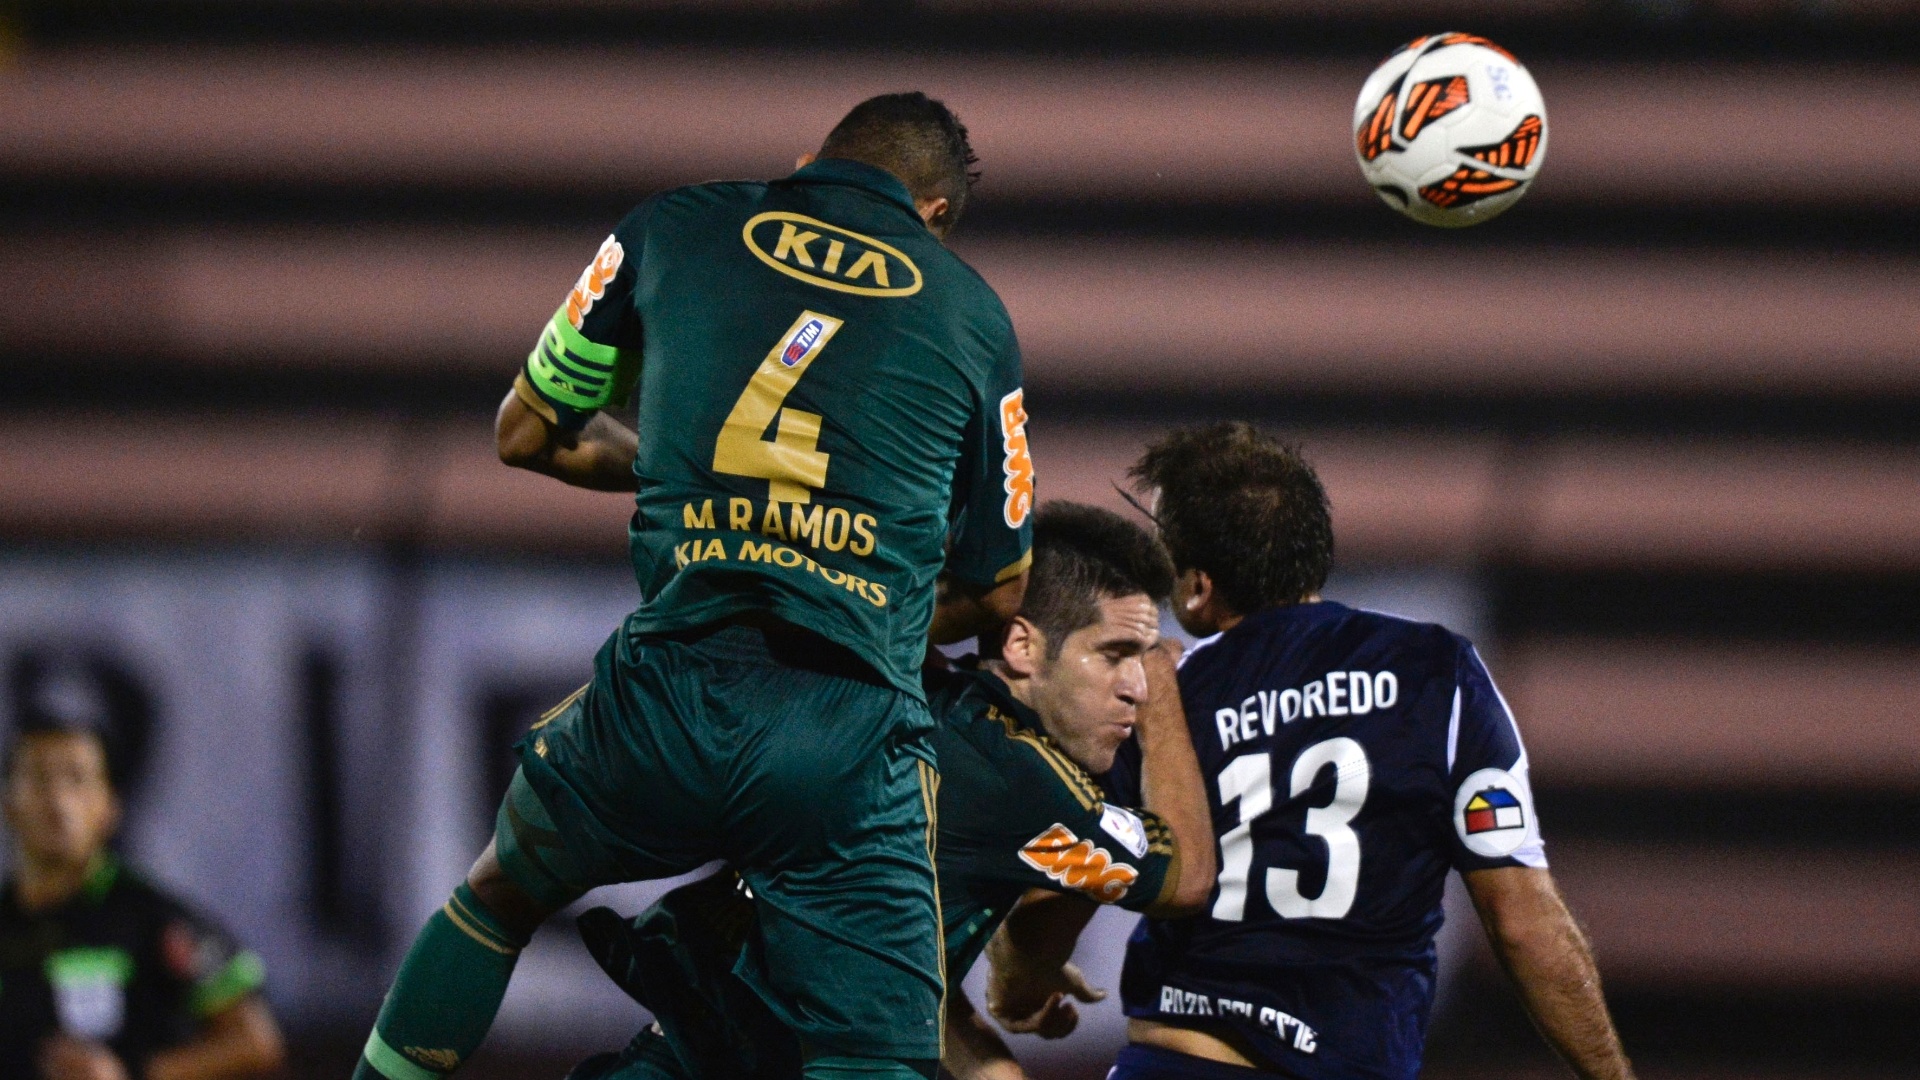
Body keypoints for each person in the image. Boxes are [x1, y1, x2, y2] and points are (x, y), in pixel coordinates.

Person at [354, 92, 1034, 1080]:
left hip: (666, 695)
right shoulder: (973, 313)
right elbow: (1002, 582)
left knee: (497, 895)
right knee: (875, 1053)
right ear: (935, 217)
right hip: (842, 738)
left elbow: (527, 429)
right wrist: (854, 590)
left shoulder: (671, 225)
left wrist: (699, 476)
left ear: (807, 161)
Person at [992, 423, 1634, 1080]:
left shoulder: (1159, 691)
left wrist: (1019, 983)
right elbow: (1524, 922)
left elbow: (1060, 894)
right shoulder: (1438, 674)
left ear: (1196, 586)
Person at [563, 501, 1218, 1080]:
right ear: (1021, 645)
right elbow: (1185, 880)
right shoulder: (1020, 778)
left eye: (1142, 658)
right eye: (1115, 654)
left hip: (695, 1039)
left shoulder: (919, 696)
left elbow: (892, 964)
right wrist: (1165, 697)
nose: (1134, 684)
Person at [0, 720, 286, 1080]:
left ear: (109, 807)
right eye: (39, 778)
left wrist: (134, 1074)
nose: (58, 800)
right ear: (8, 802)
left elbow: (256, 1041)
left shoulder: (156, 919)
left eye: (77, 778)